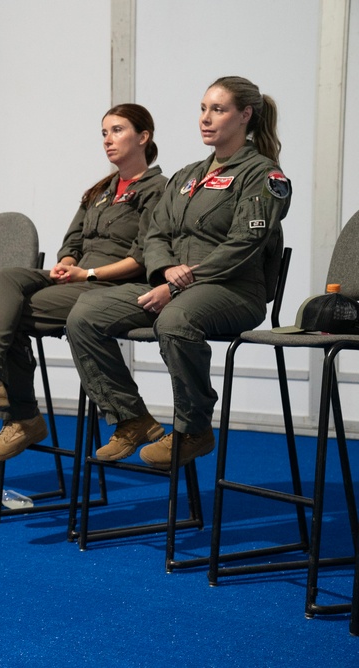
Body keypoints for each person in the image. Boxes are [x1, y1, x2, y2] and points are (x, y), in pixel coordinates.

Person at [66, 76, 291, 470]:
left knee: (174, 321)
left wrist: (181, 283)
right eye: (203, 109)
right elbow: (155, 234)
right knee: (86, 314)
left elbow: (244, 244)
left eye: (217, 110)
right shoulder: (188, 175)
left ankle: (193, 429)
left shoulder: (263, 175)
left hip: (232, 289)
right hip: (174, 284)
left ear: (245, 115)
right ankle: (131, 418)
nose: (205, 118)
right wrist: (168, 272)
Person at [0, 104, 167, 463]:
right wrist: (67, 263)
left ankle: (22, 416)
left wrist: (88, 274)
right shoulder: (100, 190)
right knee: (3, 281)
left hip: (110, 285)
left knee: (7, 313)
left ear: (143, 137)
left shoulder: (158, 190)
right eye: (104, 132)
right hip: (76, 278)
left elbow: (142, 258)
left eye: (117, 130)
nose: (108, 140)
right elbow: (72, 243)